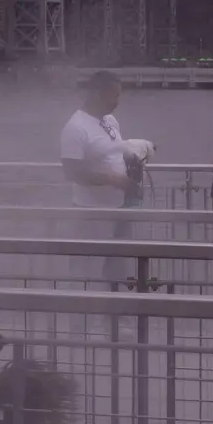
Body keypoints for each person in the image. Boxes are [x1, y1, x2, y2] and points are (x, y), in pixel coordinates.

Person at [58, 71, 137, 337]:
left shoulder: (109, 121)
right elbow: (72, 172)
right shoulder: (75, 127)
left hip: (117, 209)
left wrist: (136, 158)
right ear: (96, 93)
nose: (117, 101)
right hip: (90, 213)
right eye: (113, 95)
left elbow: (116, 152)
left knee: (118, 268)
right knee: (86, 271)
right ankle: (82, 326)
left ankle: (115, 323)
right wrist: (111, 179)